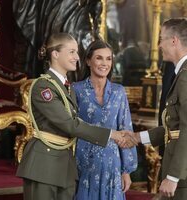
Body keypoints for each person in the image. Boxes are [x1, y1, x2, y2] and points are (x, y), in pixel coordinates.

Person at [16, 33, 136, 200]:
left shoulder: (67, 88)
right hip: (45, 165)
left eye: (77, 52)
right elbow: (70, 124)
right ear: (55, 54)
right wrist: (112, 134)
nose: (76, 57)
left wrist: (126, 169)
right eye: (72, 52)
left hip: (66, 165)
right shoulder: (44, 87)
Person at [122, 18, 187, 200]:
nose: (159, 45)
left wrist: (173, 176)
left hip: (182, 176)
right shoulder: (180, 74)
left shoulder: (185, 77)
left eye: (161, 39)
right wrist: (136, 137)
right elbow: (172, 128)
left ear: (174, 41)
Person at [72, 40, 137, 200]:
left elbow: (126, 129)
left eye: (108, 59)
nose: (104, 63)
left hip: (112, 163)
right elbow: (71, 127)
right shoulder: (75, 89)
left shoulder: (119, 92)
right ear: (88, 61)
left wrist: (126, 170)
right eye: (99, 58)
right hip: (83, 162)